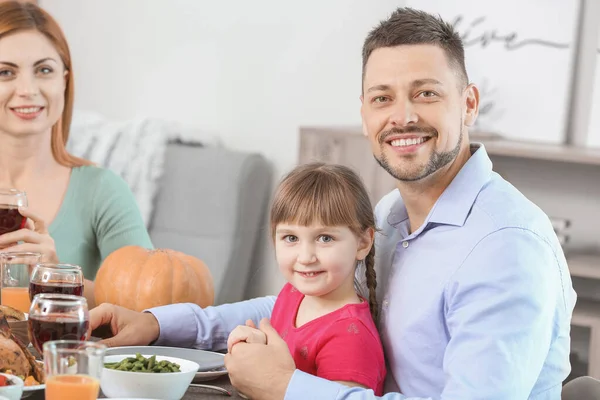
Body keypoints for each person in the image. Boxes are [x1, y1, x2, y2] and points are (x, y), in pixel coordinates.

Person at [89, 6, 577, 400]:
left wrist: (285, 386)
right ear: (364, 114)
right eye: (382, 98)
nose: (403, 116)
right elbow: (305, 303)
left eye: (426, 93)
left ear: (469, 103)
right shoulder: (389, 216)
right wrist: (158, 324)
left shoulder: (505, 249)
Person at [0, 1, 153, 308]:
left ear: (64, 81)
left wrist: (57, 275)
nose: (28, 89)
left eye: (44, 70)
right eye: (6, 72)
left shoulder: (102, 190)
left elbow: (149, 305)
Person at [227, 163, 386, 395]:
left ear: (363, 242)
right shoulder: (293, 294)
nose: (305, 257)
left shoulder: (350, 338)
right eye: (291, 237)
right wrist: (257, 347)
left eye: (325, 238)